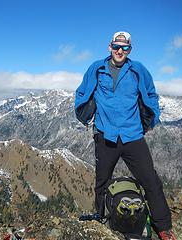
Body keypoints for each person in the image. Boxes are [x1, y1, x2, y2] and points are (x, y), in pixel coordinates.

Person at [74, 31, 176, 240]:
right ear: (109, 47)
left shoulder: (138, 70)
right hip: (105, 135)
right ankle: (100, 218)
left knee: (150, 180)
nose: (120, 51)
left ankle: (163, 227)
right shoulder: (96, 68)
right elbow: (82, 92)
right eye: (116, 46)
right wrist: (82, 111)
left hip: (132, 135)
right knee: (102, 182)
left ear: (130, 49)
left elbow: (151, 94)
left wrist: (151, 119)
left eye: (124, 47)